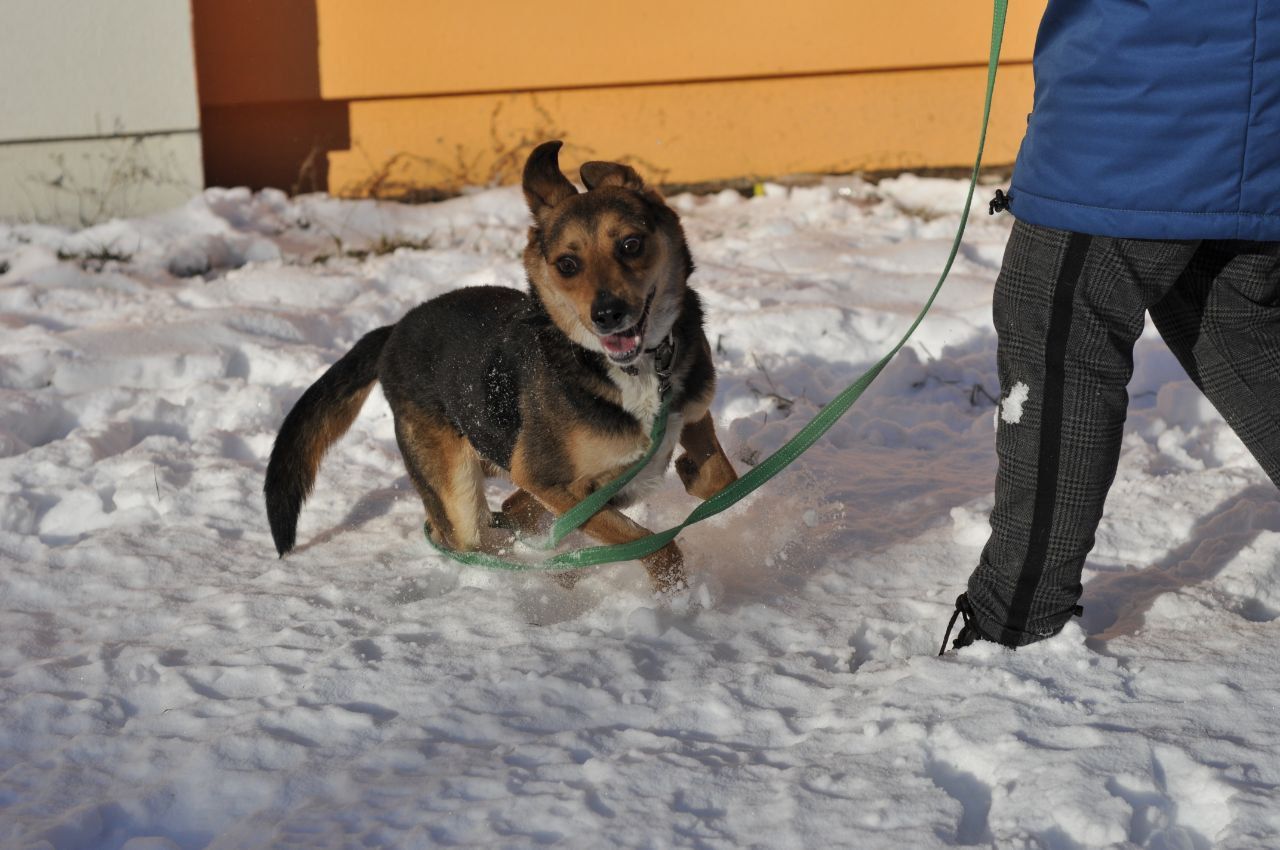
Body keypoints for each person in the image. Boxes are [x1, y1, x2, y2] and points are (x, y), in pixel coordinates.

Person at [944, 0, 1280, 650]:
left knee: (1058, 337)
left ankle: (1014, 626)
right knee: (1240, 333)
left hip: (1150, 95)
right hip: (1248, 97)